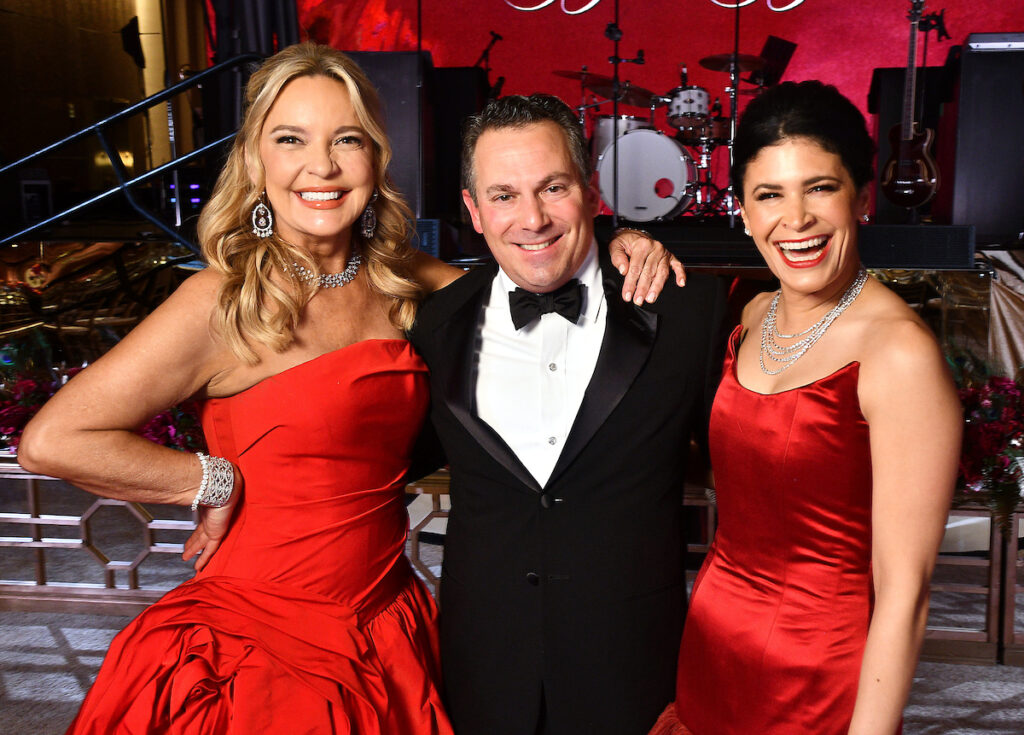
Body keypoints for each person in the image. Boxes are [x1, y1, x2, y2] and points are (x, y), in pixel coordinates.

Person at [17, 45, 674, 734]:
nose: (322, 166)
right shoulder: (220, 300)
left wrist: (617, 244)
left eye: (346, 140)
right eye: (291, 139)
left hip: (388, 626)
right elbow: (52, 440)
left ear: (376, 158)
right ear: (256, 160)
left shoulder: (399, 276)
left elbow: (533, 276)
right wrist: (211, 480)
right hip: (263, 638)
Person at [407, 94, 727, 735]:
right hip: (482, 675)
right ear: (473, 210)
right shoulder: (434, 325)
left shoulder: (688, 312)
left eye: (553, 188)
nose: (532, 219)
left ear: (591, 191)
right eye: (503, 196)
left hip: (636, 674)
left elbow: (751, 478)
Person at [650, 80, 961, 735]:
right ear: (743, 210)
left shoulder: (898, 353)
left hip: (817, 682)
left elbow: (905, 592)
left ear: (863, 198)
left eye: (819, 188)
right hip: (711, 651)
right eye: (770, 194)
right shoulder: (751, 316)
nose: (796, 219)